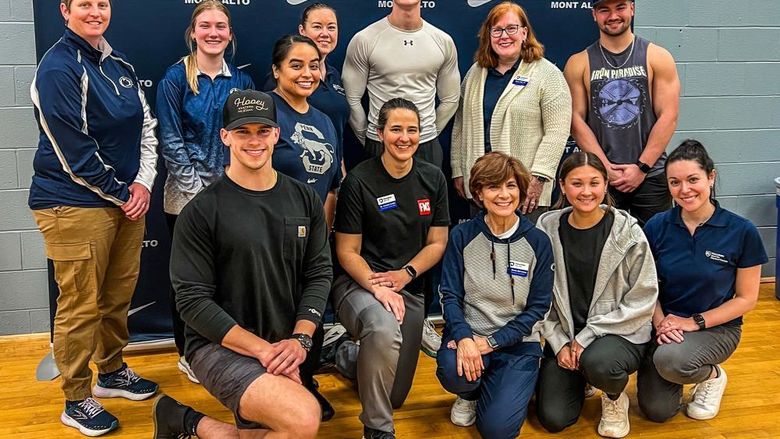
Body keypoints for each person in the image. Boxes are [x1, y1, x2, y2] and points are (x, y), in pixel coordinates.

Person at [153, 90, 329, 439]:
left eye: (262, 131)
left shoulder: (304, 198)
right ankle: (192, 423)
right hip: (218, 346)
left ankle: (188, 423)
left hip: (286, 342)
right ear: (225, 136)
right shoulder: (202, 211)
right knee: (304, 420)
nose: (254, 141)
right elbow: (192, 302)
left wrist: (299, 341)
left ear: (277, 135)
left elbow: (319, 272)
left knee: (294, 424)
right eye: (243, 131)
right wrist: (265, 352)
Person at [29, 0, 159, 436]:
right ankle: (76, 398)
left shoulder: (117, 63)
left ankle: (111, 371)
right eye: (84, 3)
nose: (95, 11)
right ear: (65, 10)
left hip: (124, 201)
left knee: (117, 295)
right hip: (71, 203)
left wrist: (142, 184)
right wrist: (124, 193)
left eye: (101, 3)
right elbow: (73, 152)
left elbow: (147, 128)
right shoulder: (58, 66)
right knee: (81, 305)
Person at [332, 98, 449, 439]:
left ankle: (345, 354)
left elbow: (437, 243)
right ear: (381, 133)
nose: (404, 137)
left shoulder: (432, 178)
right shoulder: (360, 180)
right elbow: (347, 251)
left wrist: (405, 275)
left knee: (394, 396)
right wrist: (379, 286)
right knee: (383, 329)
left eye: (411, 130)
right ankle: (377, 429)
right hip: (359, 284)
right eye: (395, 129)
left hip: (407, 288)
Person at [156, 0, 254, 385]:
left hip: (232, 194)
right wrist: (199, 194)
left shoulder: (241, 83)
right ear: (193, 32)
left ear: (229, 34)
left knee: (228, 276)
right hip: (185, 199)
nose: (213, 33)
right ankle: (187, 352)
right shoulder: (175, 78)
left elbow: (246, 138)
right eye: (205, 26)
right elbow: (171, 139)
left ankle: (224, 346)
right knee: (190, 280)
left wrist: (230, 189)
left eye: (220, 26)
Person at [637, 140, 768, 423]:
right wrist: (661, 323)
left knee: (669, 361)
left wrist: (692, 322)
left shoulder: (741, 231)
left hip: (716, 328)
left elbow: (747, 299)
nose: (684, 190)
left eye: (692, 179)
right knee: (657, 411)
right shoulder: (657, 226)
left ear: (711, 177)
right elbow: (645, 286)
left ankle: (712, 376)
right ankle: (674, 362)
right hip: (663, 326)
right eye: (675, 182)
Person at [535, 152, 658, 438]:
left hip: (617, 334)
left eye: (594, 183)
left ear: (606, 185)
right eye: (577, 184)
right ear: (562, 186)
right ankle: (583, 378)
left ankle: (614, 398)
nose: (586, 192)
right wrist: (559, 342)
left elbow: (643, 299)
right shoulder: (546, 229)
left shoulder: (629, 233)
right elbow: (539, 297)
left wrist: (586, 337)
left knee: (598, 362)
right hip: (566, 337)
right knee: (553, 418)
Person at [436, 152, 553, 439]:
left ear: (521, 190)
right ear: (479, 192)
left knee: (497, 431)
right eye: (493, 186)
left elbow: (538, 308)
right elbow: (449, 295)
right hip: (469, 336)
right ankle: (471, 394)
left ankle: (513, 385)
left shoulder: (538, 241)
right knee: (453, 372)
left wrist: (491, 343)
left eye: (511, 186)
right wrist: (464, 338)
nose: (503, 195)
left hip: (516, 344)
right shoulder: (462, 235)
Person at [451, 1, 571, 224]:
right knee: (483, 253)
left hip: (525, 191)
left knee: (525, 255)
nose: (504, 36)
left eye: (511, 28)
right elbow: (460, 123)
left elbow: (557, 131)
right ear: (489, 35)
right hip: (481, 188)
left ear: (524, 33)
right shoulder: (475, 74)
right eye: (497, 30)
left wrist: (538, 179)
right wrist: (459, 169)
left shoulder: (547, 74)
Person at [564, 0, 680, 225]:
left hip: (651, 175)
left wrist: (641, 167)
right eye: (604, 10)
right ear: (594, 14)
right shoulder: (579, 63)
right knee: (602, 250)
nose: (613, 15)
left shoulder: (657, 56)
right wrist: (605, 169)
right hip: (600, 178)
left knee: (655, 250)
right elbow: (575, 120)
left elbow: (669, 115)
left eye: (620, 7)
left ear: (632, 9)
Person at [342, 0, 460, 168]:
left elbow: (451, 99)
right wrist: (371, 138)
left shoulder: (443, 41)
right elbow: (351, 98)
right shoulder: (365, 39)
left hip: (426, 146)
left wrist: (424, 134)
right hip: (379, 144)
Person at [265, 2, 351, 172]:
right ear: (302, 31)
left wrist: (341, 177)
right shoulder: (282, 81)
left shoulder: (334, 75)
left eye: (331, 27)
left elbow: (336, 138)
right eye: (317, 26)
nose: (325, 33)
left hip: (331, 176)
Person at [269, 35, 341, 229]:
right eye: (296, 66)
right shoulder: (262, 112)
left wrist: (319, 244)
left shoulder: (325, 122)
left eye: (314, 66)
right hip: (267, 238)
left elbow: (331, 191)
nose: (307, 74)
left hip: (311, 245)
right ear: (276, 70)